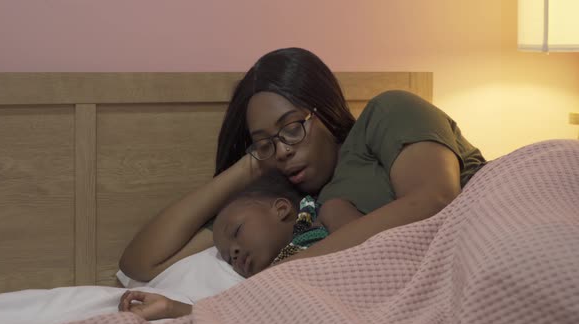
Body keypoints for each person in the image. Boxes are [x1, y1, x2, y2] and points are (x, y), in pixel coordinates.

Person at [119, 47, 485, 283]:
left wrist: (282, 274)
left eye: (291, 128)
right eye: (266, 142)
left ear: (324, 109)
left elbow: (433, 200)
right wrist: (252, 165)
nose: (281, 150)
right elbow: (141, 265)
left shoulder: (388, 112)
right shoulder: (286, 211)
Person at [118, 172, 328, 320]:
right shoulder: (260, 284)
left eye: (237, 231)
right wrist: (169, 307)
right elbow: (241, 321)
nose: (234, 254)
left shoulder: (328, 225)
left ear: (281, 208)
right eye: (228, 258)